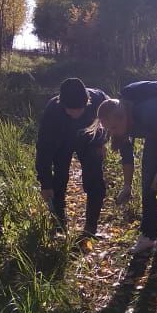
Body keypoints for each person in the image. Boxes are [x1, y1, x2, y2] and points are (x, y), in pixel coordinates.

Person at [96, 84, 157, 255]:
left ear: (122, 117)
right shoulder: (122, 125)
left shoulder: (149, 113)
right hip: (156, 135)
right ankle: (148, 236)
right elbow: (127, 157)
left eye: (113, 128)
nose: (112, 133)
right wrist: (127, 186)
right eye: (108, 130)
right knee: (148, 183)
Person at [35, 77, 131, 241]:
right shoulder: (52, 111)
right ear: (61, 104)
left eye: (79, 110)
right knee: (58, 179)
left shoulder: (100, 100)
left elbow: (119, 128)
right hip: (62, 141)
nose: (75, 115)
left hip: (90, 141)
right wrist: (45, 183)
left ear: (88, 101)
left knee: (95, 182)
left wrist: (103, 142)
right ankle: (59, 226)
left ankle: (90, 229)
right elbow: (43, 150)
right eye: (70, 111)